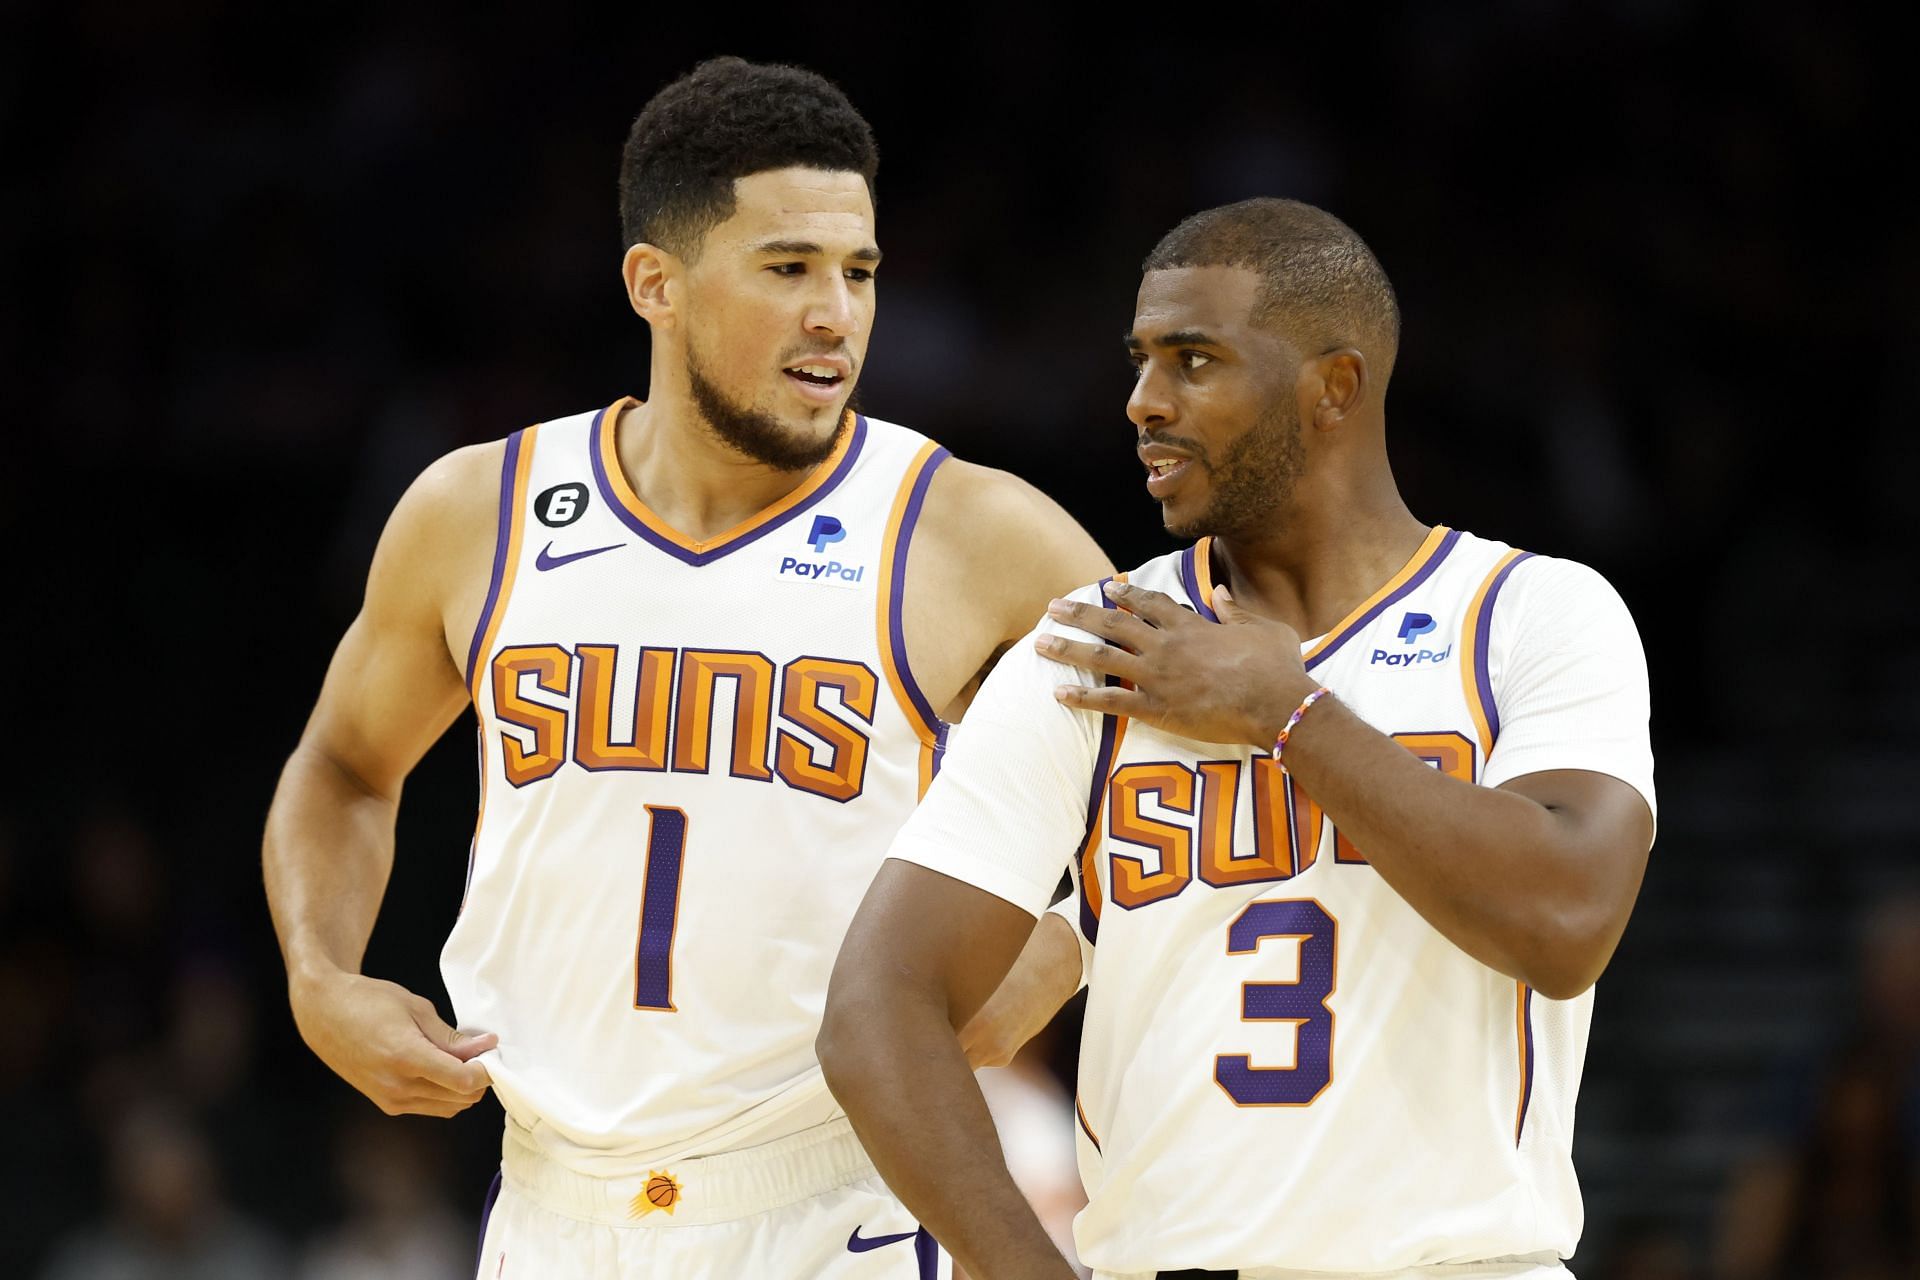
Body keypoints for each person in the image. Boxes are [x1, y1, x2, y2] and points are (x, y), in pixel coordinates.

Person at [262, 56, 1110, 1279]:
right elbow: (344, 763)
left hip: (846, 1198)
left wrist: (1058, 944)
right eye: (789, 268)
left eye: (859, 271)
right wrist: (316, 974)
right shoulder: (478, 512)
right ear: (654, 283)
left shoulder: (971, 532)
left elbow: (1178, 787)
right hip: (550, 1208)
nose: (838, 313)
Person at [820, 198, 1657, 1280]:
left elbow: (1568, 917)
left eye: (1194, 360)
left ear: (1334, 387)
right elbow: (874, 1009)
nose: (1142, 402)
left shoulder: (1532, 613)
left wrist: (1289, 715)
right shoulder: (1097, 646)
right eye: (1139, 361)